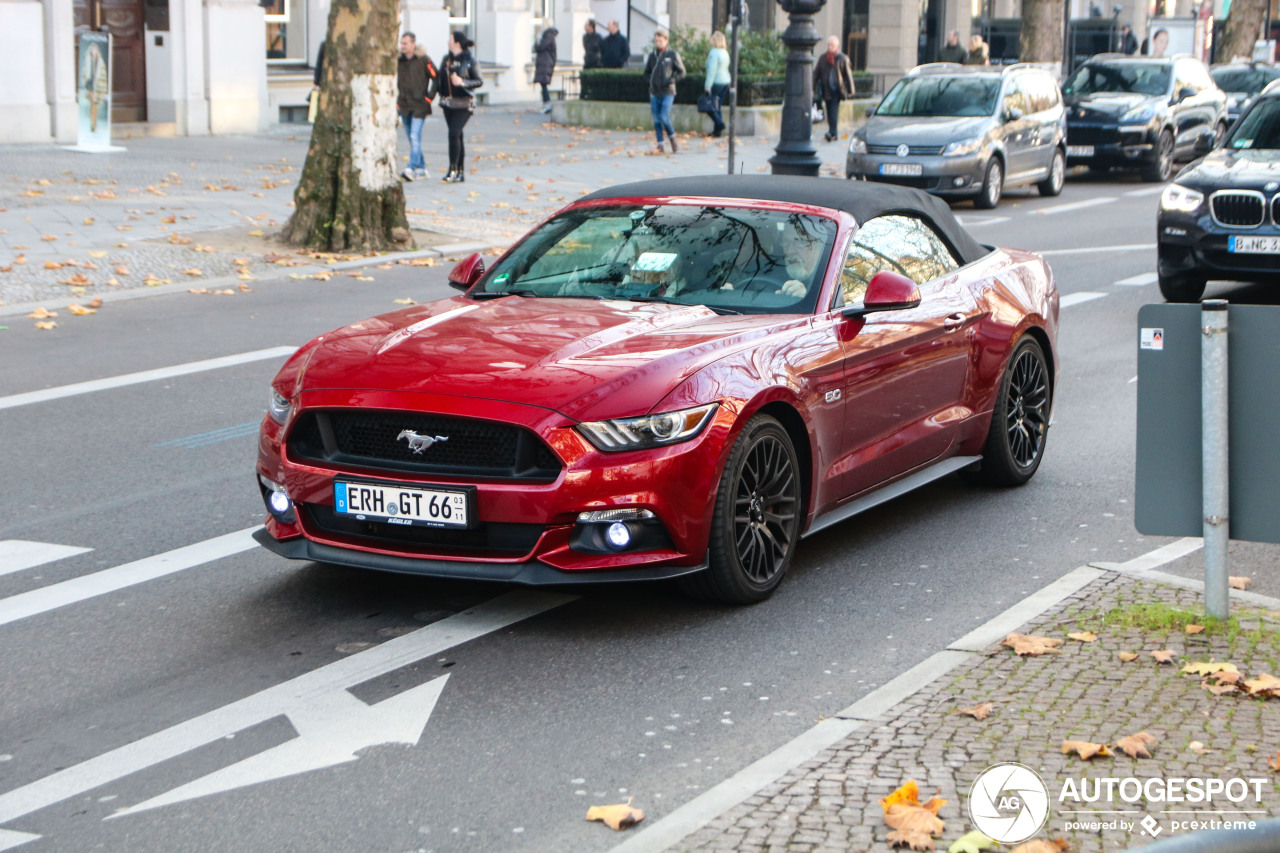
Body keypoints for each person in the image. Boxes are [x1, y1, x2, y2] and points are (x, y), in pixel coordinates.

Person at [438, 31, 484, 183]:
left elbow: (478, 81)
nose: (448, 42)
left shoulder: (470, 60)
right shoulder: (446, 59)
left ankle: (452, 169)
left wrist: (462, 82)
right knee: (457, 136)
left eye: (450, 39)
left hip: (464, 104)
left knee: (453, 133)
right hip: (448, 104)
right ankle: (460, 172)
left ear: (457, 43)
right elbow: (439, 79)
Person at [397, 32, 438, 181]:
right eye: (401, 43)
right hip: (404, 105)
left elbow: (436, 77)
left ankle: (410, 168)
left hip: (420, 105)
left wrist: (429, 98)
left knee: (415, 136)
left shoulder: (423, 60)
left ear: (413, 44)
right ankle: (422, 168)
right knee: (411, 138)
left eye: (405, 43)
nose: (402, 46)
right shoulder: (399, 61)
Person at [645, 30, 685, 154]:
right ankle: (660, 144)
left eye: (660, 40)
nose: (658, 43)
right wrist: (651, 81)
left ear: (666, 40)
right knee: (656, 119)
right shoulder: (653, 56)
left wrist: (671, 79)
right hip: (655, 91)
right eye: (656, 41)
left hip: (668, 90)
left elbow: (682, 72)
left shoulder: (672, 54)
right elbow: (646, 72)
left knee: (664, 116)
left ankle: (672, 137)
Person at [812, 35, 855, 143]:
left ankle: (833, 133)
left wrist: (850, 90)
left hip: (837, 89)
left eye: (832, 45)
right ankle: (832, 132)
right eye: (829, 45)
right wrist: (812, 87)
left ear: (837, 46)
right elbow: (816, 74)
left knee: (834, 110)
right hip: (826, 89)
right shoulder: (823, 58)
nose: (830, 47)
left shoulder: (842, 58)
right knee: (829, 110)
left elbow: (848, 75)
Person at [703, 31, 731, 138]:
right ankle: (717, 131)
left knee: (710, 106)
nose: (710, 40)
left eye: (711, 38)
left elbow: (712, 70)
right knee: (717, 106)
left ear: (715, 40)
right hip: (726, 81)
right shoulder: (724, 52)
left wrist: (707, 85)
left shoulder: (714, 52)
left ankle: (719, 124)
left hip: (716, 82)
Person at [533, 25, 558, 115]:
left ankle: (547, 103)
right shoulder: (548, 36)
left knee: (543, 83)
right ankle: (546, 103)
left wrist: (538, 40)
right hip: (545, 63)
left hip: (545, 63)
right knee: (543, 83)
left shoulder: (548, 36)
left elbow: (540, 47)